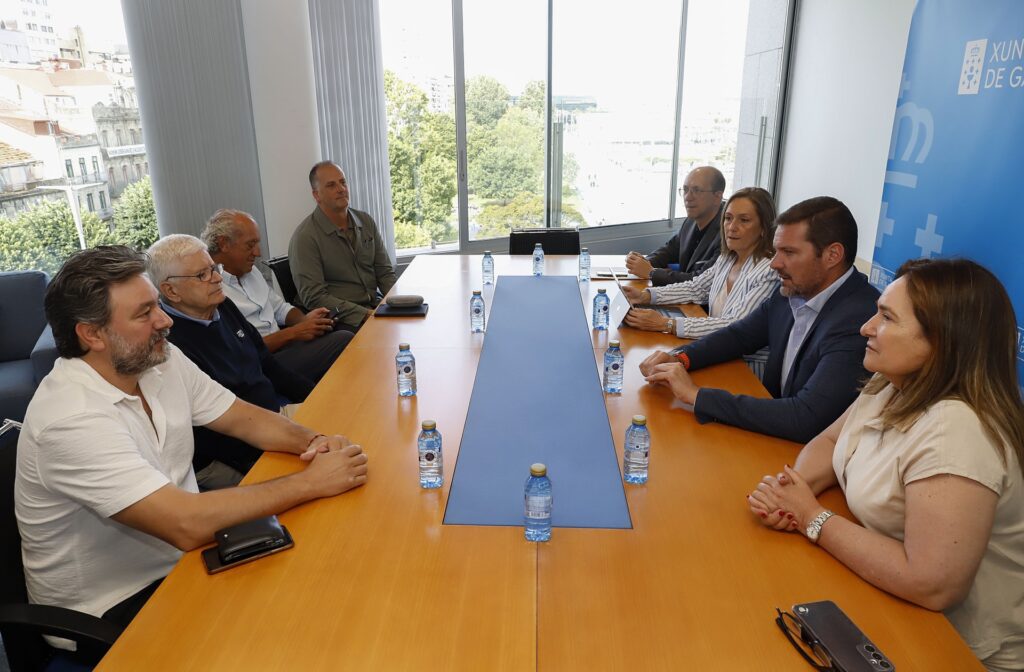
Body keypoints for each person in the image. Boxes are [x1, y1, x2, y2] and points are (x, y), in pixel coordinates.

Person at [15, 245, 367, 638]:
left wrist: (315, 442)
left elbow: (242, 418)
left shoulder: (159, 359)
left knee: (328, 582)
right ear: (92, 334)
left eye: (157, 305)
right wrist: (312, 482)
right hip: (113, 608)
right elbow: (185, 523)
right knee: (297, 626)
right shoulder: (71, 418)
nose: (164, 320)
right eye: (144, 313)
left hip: (184, 561)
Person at [747, 258, 1024, 671]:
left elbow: (930, 583)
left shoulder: (957, 431)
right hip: (892, 605)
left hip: (959, 651)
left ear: (943, 340)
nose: (866, 327)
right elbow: (831, 440)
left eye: (887, 318)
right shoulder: (893, 382)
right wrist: (793, 492)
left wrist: (811, 517)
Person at [640, 196, 878, 443]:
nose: (775, 263)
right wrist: (680, 358)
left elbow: (806, 417)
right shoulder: (793, 290)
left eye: (789, 252)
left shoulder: (859, 321)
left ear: (832, 255)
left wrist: (697, 395)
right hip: (775, 433)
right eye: (777, 251)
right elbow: (739, 335)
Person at [149, 234, 315, 489]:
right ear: (171, 291)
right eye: (202, 275)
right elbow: (208, 434)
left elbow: (268, 365)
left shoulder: (222, 305)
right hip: (231, 453)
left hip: (270, 419)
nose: (217, 278)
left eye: (214, 269)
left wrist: (314, 399)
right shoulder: (169, 345)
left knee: (344, 419)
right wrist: (276, 456)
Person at [622, 187, 779, 379]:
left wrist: (666, 324)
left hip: (747, 368)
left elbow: (734, 327)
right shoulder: (728, 258)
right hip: (716, 354)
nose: (732, 227)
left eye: (744, 220)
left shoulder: (768, 270)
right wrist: (646, 296)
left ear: (764, 228)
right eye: (728, 218)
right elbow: (696, 288)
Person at [202, 209, 353, 383]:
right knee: (345, 340)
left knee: (340, 327)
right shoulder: (212, 291)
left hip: (285, 346)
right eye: (250, 245)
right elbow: (242, 349)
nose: (258, 253)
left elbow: (280, 309)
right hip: (261, 364)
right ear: (224, 244)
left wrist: (305, 321)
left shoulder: (251, 271)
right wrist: (293, 333)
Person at [289, 161, 397, 331]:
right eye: (331, 185)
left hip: (373, 307)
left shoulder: (366, 221)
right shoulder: (305, 237)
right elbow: (314, 297)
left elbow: (384, 273)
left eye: (343, 182)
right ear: (316, 195)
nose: (341, 189)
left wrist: (400, 305)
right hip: (341, 321)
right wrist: (365, 315)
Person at [624, 166, 724, 286]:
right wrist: (644, 262)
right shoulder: (690, 221)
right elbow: (669, 250)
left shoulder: (728, 234)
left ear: (717, 197)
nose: (687, 197)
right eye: (685, 190)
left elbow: (700, 282)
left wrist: (651, 272)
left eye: (696, 190)